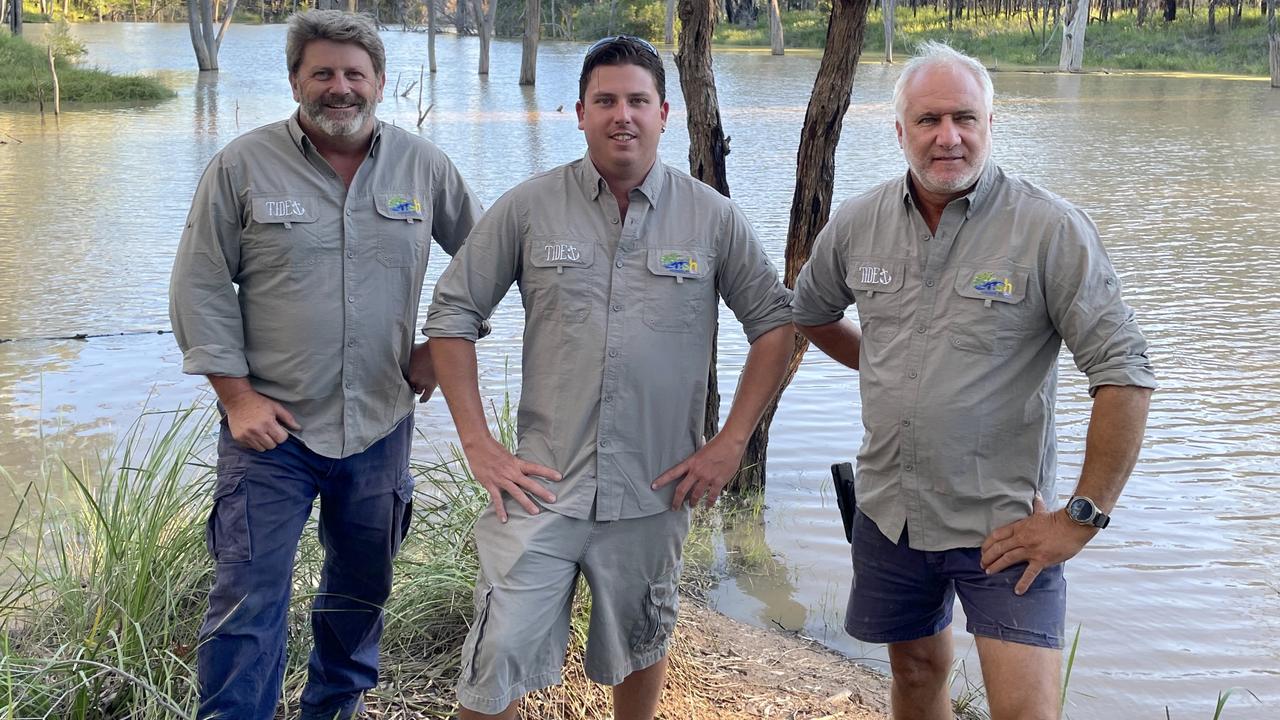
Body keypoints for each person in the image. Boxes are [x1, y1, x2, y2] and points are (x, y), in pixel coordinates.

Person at [425, 35, 794, 720]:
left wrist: (731, 441)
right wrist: (478, 445)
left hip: (656, 488)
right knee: (496, 655)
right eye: (606, 101)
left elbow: (774, 325)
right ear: (580, 112)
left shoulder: (711, 216)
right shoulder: (531, 207)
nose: (622, 115)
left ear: (665, 113)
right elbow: (451, 315)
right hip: (542, 487)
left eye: (637, 101)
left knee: (642, 643)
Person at [791, 42, 1156, 720]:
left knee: (1025, 710)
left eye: (964, 117)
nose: (947, 137)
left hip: (1005, 525)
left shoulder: (1049, 229)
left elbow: (1125, 375)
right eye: (928, 120)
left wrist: (1081, 518)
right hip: (889, 514)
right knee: (918, 673)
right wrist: (891, 369)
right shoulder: (858, 223)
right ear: (900, 131)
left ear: (992, 123)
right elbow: (810, 313)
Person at [168, 10, 481, 719]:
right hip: (270, 432)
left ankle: (335, 711)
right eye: (323, 74)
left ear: (378, 83)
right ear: (295, 82)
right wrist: (236, 397)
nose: (339, 88)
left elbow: (488, 260)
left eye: (354, 74)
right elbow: (200, 283)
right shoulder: (242, 166)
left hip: (378, 425)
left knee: (359, 594)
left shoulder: (423, 167)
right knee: (247, 600)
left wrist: (442, 346)